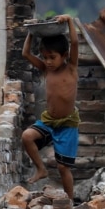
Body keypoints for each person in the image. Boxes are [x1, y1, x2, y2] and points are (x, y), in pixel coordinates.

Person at [21, 14, 80, 199]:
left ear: (64, 56)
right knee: (27, 136)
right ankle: (41, 169)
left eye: (52, 57)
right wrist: (31, 32)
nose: (48, 61)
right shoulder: (46, 70)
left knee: (63, 167)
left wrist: (70, 21)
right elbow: (25, 54)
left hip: (67, 124)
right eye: (45, 57)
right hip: (49, 120)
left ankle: (69, 200)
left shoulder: (71, 68)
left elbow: (75, 43)